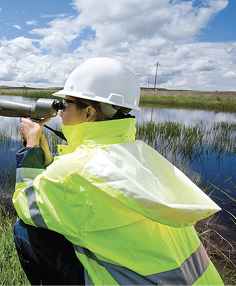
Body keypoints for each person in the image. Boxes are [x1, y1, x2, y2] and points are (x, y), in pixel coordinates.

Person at [13, 57, 224, 285]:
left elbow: (25, 202)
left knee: (24, 230)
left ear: (89, 114)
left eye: (65, 105)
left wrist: (31, 146)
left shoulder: (75, 171)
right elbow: (68, 174)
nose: (60, 113)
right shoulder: (137, 153)